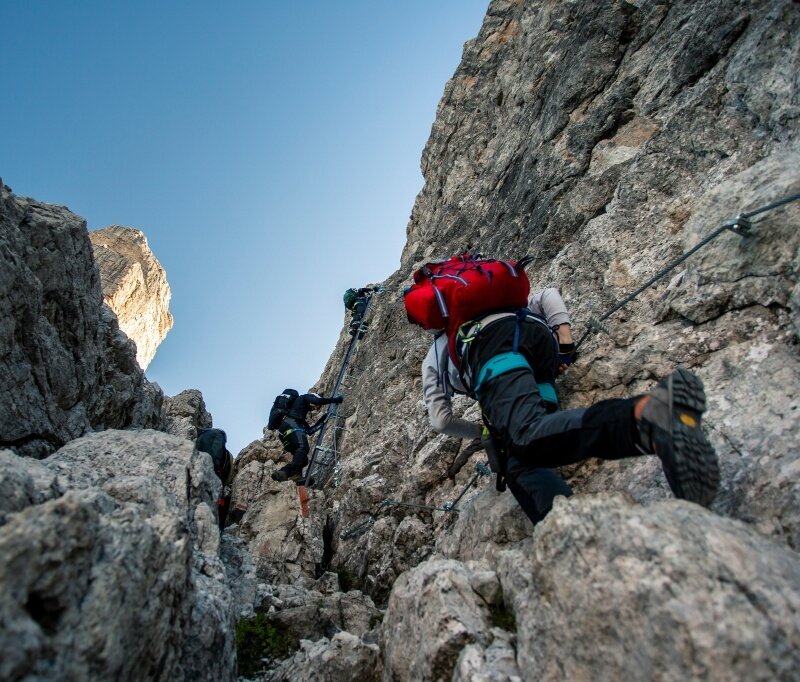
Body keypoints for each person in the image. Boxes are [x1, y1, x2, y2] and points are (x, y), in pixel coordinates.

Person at [420, 286, 719, 525]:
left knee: (524, 436)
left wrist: (482, 429)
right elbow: (549, 294)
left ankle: (645, 418)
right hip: (539, 349)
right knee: (520, 458)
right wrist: (565, 341)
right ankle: (566, 522)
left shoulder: (437, 351)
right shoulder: (501, 302)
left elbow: (441, 421)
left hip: (498, 356)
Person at [271, 391, 344, 482]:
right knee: (303, 447)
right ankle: (296, 475)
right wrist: (336, 399)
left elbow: (309, 431)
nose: (315, 409)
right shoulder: (304, 397)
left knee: (303, 459)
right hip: (291, 424)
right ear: (313, 397)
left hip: (285, 432)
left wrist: (322, 420)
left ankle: (283, 472)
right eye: (317, 407)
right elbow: (317, 401)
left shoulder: (299, 416)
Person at [195, 428, 235, 529]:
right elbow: (227, 476)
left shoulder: (201, 440)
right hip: (216, 477)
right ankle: (218, 528)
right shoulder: (227, 456)